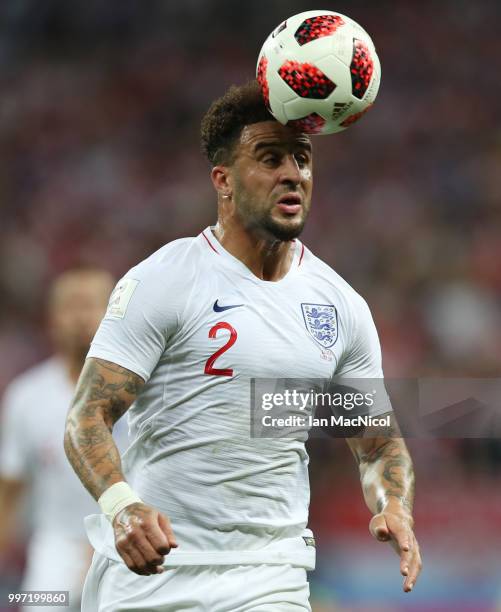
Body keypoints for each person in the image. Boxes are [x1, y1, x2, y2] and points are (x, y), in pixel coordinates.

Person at [64, 81, 422, 612]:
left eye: (301, 158)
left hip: (270, 577)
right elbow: (86, 417)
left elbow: (376, 443)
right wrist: (122, 507)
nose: (292, 174)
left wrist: (395, 504)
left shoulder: (341, 306)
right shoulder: (165, 280)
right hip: (155, 576)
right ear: (224, 181)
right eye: (270, 157)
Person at [0, 266, 120, 612]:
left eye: (91, 304)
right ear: (51, 318)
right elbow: (10, 486)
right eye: (70, 305)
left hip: (128, 538)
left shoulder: (144, 393)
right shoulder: (26, 396)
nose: (81, 316)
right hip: (55, 548)